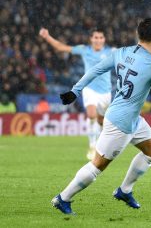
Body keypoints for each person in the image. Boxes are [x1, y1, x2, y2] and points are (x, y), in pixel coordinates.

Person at [51, 18, 151, 214]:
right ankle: (63, 198)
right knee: (98, 166)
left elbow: (95, 70)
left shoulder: (120, 52)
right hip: (120, 123)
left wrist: (75, 91)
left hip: (132, 118)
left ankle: (124, 190)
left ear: (138, 34)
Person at [39, 27, 113, 160]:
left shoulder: (111, 52)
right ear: (91, 39)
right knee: (91, 115)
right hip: (89, 88)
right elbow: (62, 48)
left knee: (102, 121)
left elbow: (130, 54)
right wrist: (47, 36)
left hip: (106, 92)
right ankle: (92, 146)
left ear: (104, 39)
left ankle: (102, 146)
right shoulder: (84, 50)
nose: (98, 40)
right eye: (95, 37)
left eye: (101, 38)